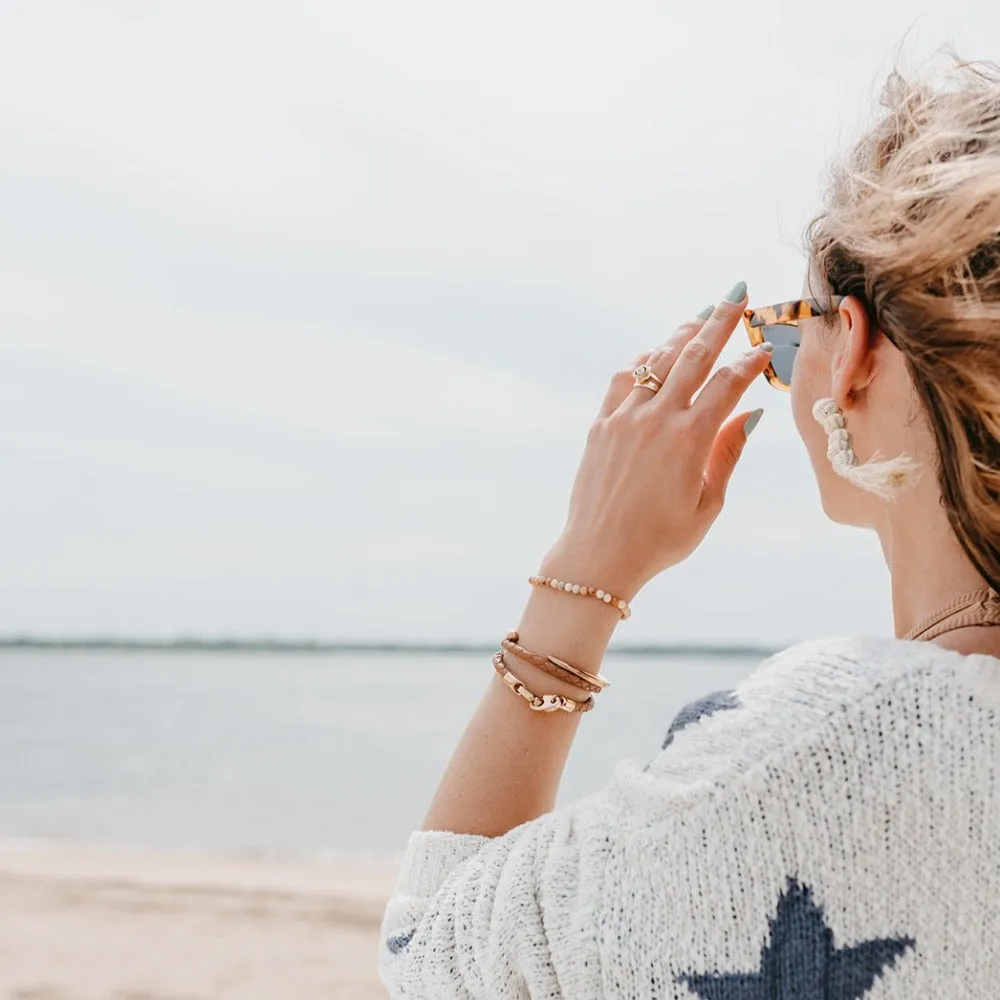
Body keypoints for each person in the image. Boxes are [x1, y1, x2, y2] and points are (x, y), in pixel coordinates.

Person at [379, 54, 1000, 999]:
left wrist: (588, 566)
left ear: (857, 354)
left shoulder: (817, 752)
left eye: (793, 337)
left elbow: (430, 957)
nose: (788, 370)